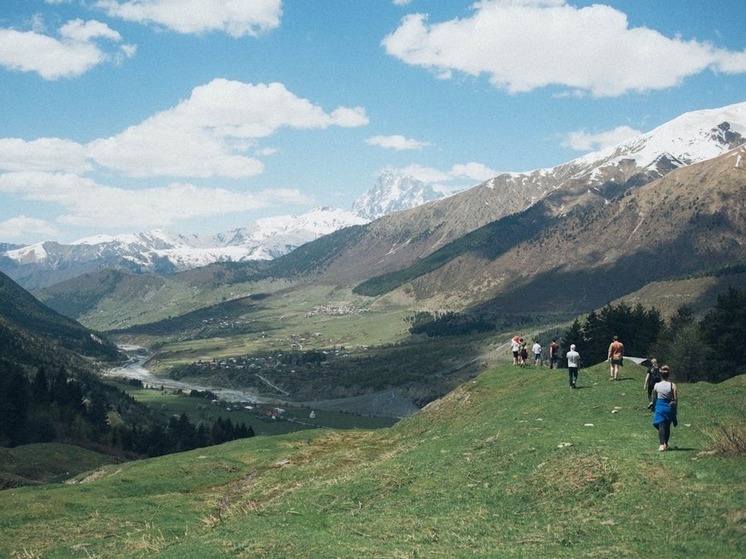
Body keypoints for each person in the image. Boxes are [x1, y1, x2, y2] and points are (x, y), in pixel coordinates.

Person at [652, 365, 678, 451]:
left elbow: (654, 397)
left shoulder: (656, 385)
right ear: (668, 375)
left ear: (660, 375)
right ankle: (666, 443)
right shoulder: (672, 385)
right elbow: (675, 398)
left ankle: (661, 444)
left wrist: (654, 406)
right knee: (667, 426)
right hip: (669, 407)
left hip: (660, 406)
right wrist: (675, 410)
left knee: (660, 425)